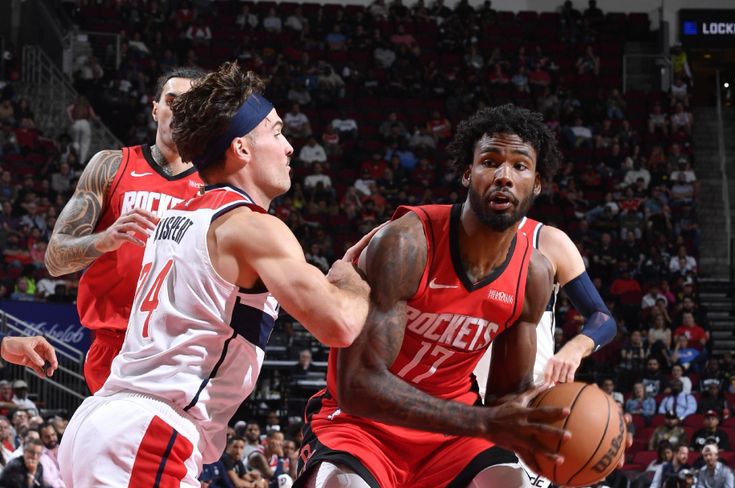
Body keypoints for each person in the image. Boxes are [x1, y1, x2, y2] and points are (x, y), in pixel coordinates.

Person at [58, 62, 372, 487]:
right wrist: (352, 276)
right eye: (277, 132)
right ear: (242, 148)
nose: (289, 147)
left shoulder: (180, 215)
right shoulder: (250, 227)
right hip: (147, 432)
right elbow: (341, 323)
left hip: (107, 422)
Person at [296, 105, 598, 487]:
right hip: (364, 425)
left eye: (520, 166)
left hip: (453, 433)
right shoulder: (407, 244)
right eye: (490, 161)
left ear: (537, 183)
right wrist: (483, 421)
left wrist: (561, 426)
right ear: (467, 173)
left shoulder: (533, 274)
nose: (504, 176)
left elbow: (505, 397)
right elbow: (357, 388)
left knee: (509, 482)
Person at [45, 67, 206, 393]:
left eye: (191, 103)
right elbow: (55, 259)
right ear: (155, 109)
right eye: (172, 101)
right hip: (114, 342)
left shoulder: (215, 186)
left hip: (180, 346)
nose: (179, 111)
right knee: (113, 443)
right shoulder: (111, 165)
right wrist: (103, 240)